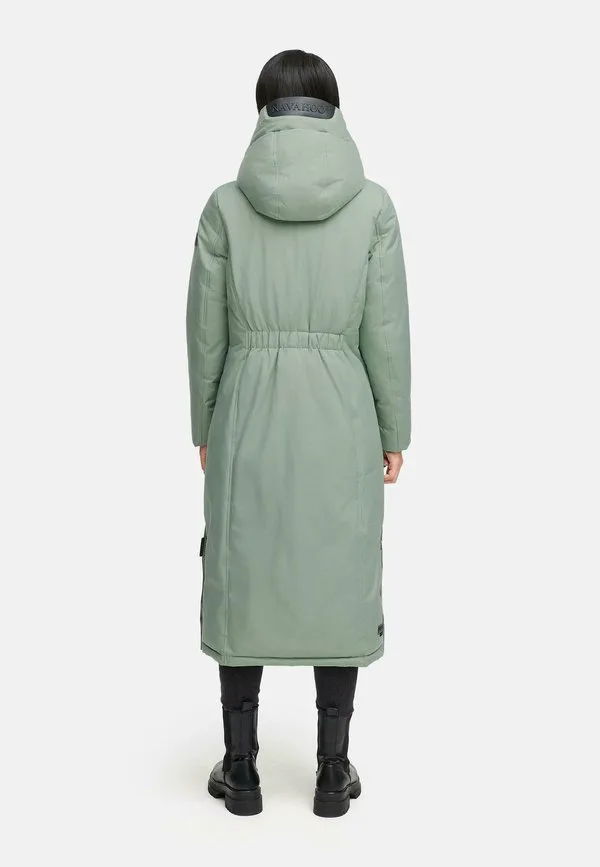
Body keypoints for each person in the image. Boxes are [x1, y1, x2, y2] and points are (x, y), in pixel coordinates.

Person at [186, 49, 411, 818]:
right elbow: (386, 330)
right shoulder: (372, 205)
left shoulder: (225, 206)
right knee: (339, 573)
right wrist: (393, 427)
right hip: (342, 411)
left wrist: (205, 423)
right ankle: (332, 770)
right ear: (333, 108)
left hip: (246, 409)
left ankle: (241, 769)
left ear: (263, 111)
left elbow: (205, 332)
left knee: (242, 570)